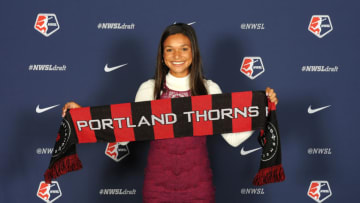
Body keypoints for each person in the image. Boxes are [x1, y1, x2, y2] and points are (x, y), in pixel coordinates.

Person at [62, 23, 278, 202]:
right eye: (169, 49)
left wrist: (261, 111)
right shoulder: (149, 89)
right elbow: (125, 133)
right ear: (162, 55)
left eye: (184, 48)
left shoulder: (209, 90)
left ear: (193, 53)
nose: (177, 55)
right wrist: (83, 117)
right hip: (157, 190)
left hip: (199, 189)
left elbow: (232, 139)